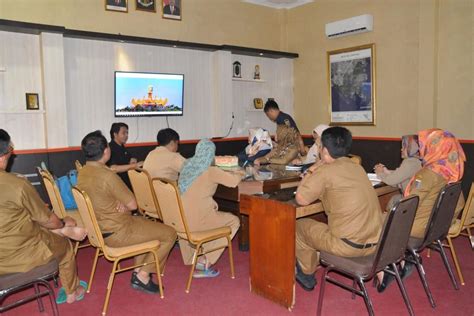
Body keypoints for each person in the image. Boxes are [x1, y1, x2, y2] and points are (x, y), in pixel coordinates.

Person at [77, 130, 177, 294]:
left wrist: (117, 203)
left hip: (101, 230)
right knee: (170, 233)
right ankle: (143, 276)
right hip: (119, 231)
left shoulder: (82, 172)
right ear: (106, 151)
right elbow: (132, 205)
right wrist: (121, 204)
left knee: (148, 225)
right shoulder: (107, 175)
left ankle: (139, 270)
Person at [0, 129, 87, 304]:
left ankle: (65, 230)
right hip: (19, 255)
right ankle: (72, 292)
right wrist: (62, 222)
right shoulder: (17, 184)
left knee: (37, 225)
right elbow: (48, 220)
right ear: (4, 155)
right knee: (65, 247)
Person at [294, 127, 383, 291]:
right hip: (375, 243)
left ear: (324, 150)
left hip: (348, 246)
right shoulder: (357, 167)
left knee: (299, 226)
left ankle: (307, 273)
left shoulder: (326, 171)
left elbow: (301, 198)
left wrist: (312, 170)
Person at [377, 128, 466, 292]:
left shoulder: (426, 175)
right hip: (434, 227)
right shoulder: (452, 171)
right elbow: (459, 204)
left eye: (425, 144)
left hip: (418, 228)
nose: (422, 147)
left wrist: (385, 217)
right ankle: (406, 258)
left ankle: (384, 269)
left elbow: (407, 206)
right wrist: (441, 223)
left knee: (375, 222)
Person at [178, 139, 241, 278]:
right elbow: (234, 181)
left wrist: (210, 199)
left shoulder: (187, 165)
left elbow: (195, 189)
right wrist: (238, 170)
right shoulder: (210, 170)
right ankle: (206, 260)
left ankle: (194, 256)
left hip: (180, 219)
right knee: (234, 221)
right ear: (212, 154)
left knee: (215, 216)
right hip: (198, 221)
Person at [374, 134, 422, 211]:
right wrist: (386, 171)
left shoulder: (410, 162)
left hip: (411, 203)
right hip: (416, 199)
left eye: (404, 147)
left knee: (392, 200)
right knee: (394, 198)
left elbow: (391, 181)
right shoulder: (417, 161)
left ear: (412, 148)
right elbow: (401, 177)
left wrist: (380, 173)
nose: (401, 149)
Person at [108, 122, 143, 190]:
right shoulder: (110, 148)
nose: (126, 135)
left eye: (127, 133)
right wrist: (134, 165)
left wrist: (132, 161)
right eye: (123, 133)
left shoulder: (122, 147)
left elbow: (129, 161)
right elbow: (113, 168)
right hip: (117, 186)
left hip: (128, 183)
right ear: (115, 134)